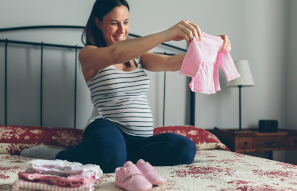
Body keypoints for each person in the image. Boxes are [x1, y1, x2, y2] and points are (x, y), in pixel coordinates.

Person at [21, 0, 231, 174]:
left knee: (185, 148)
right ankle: (58, 155)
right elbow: (116, 53)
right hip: (107, 128)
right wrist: (166, 34)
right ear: (98, 23)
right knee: (110, 152)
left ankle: (119, 157)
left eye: (126, 22)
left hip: (139, 141)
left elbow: (172, 62)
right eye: (114, 23)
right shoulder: (88, 54)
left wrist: (210, 48)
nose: (122, 30)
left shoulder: (139, 57)